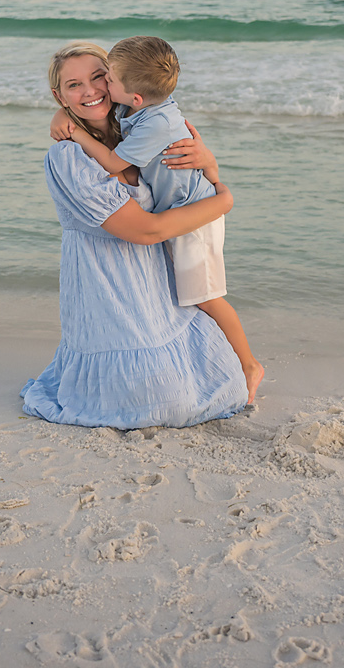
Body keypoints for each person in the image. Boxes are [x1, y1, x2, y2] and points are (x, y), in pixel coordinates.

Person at [20, 42, 249, 429]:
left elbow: (187, 174)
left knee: (220, 385)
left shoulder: (137, 127)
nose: (91, 90)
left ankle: (248, 365)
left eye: (99, 77)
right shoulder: (68, 157)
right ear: (59, 96)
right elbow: (146, 230)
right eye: (74, 86)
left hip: (157, 286)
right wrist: (224, 201)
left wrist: (209, 162)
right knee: (167, 404)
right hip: (109, 290)